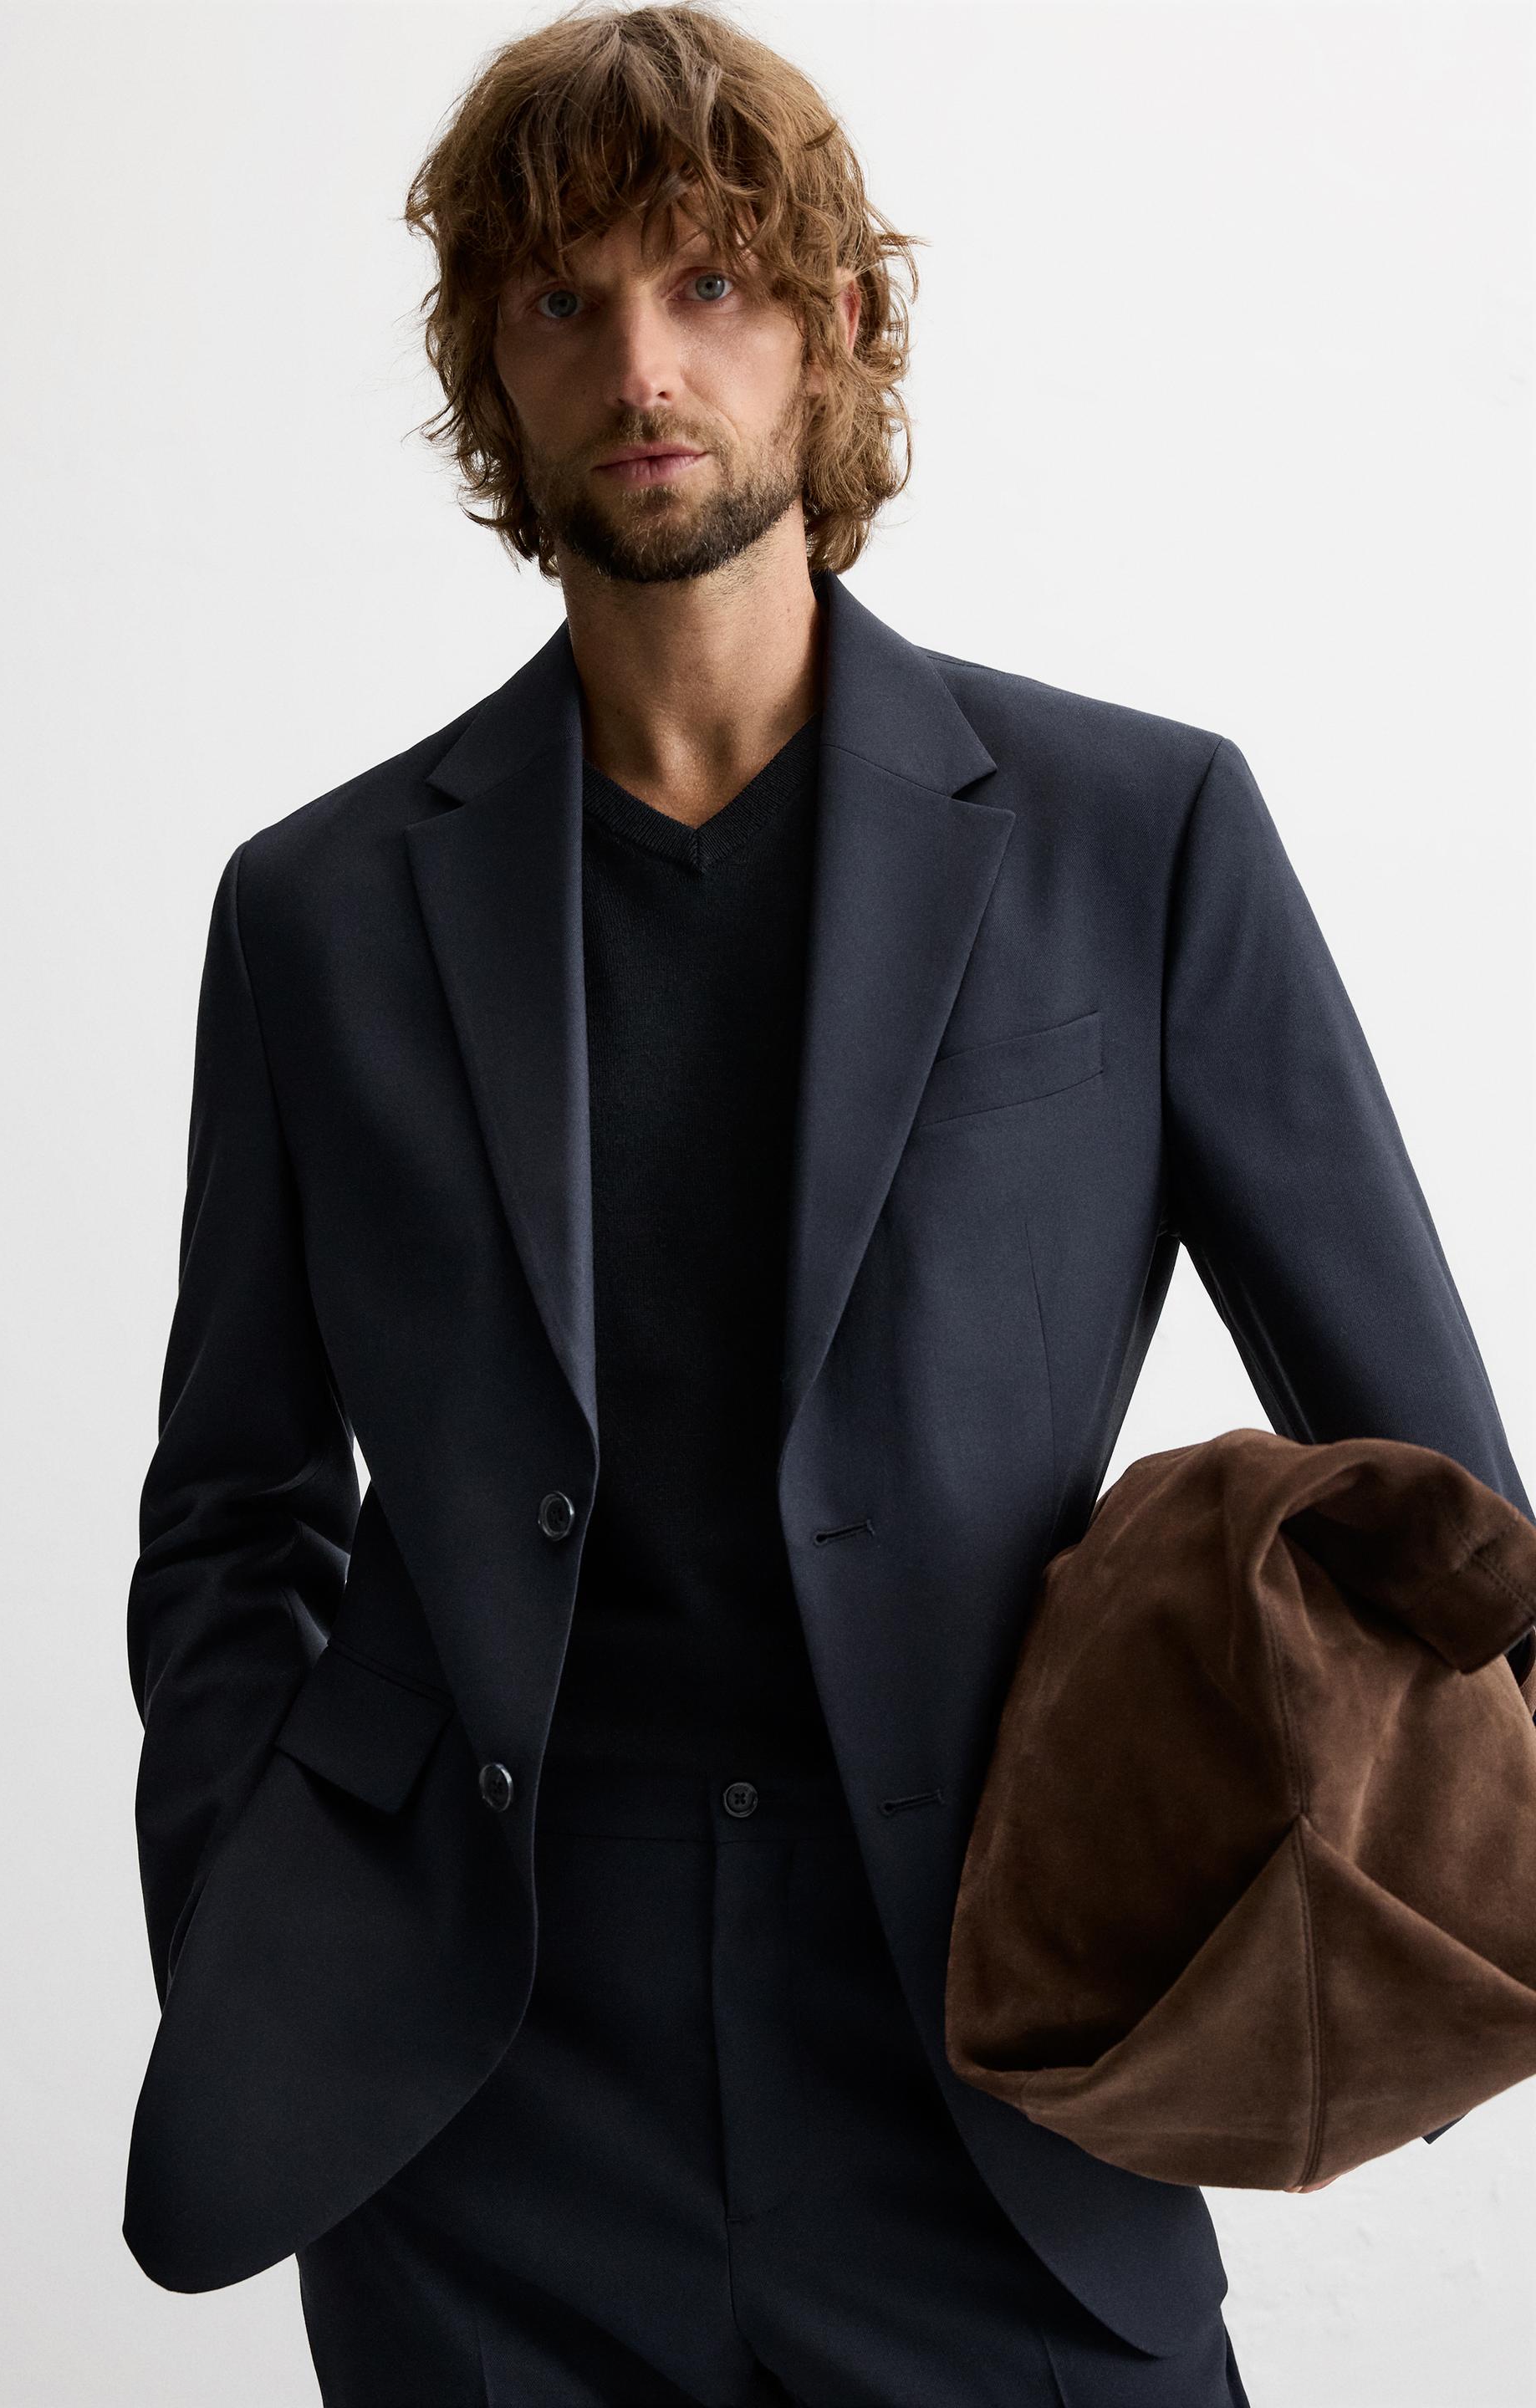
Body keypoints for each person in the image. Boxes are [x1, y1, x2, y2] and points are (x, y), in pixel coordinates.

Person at [120, 7, 1533, 2404]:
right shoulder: (319, 913)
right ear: (487, 364)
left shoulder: (1140, 838)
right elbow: (237, 1506)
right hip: (484, 2111)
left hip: (1000, 2054)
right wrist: (261, 1918)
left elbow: (1442, 1508)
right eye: (561, 301)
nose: (640, 365)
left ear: (839, 321)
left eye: (711, 283)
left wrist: (1320, 1922)